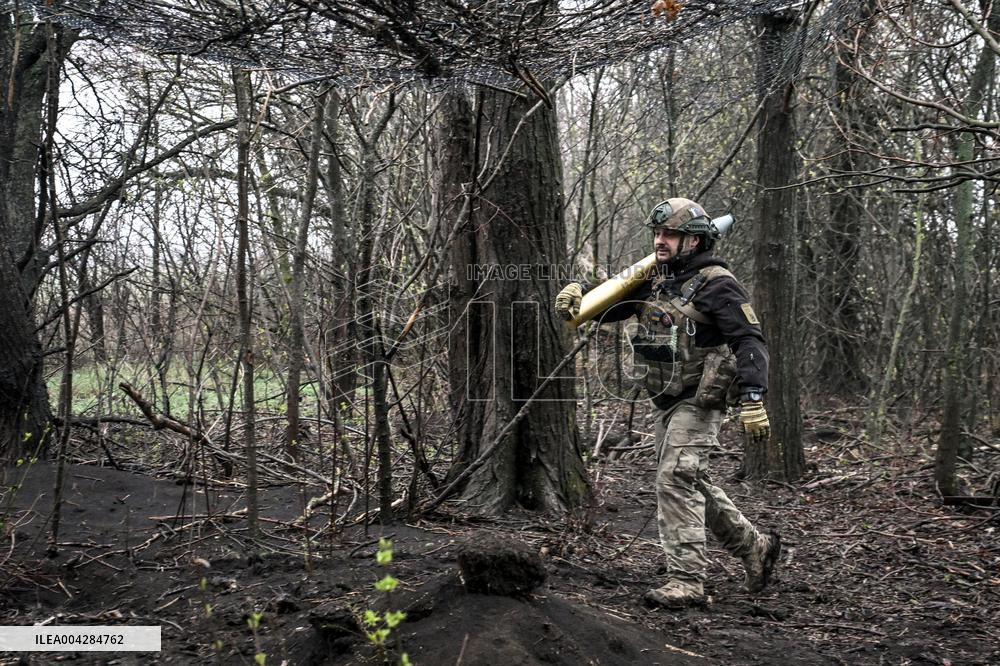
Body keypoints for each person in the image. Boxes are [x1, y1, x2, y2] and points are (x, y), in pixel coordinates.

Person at [554, 197, 780, 608]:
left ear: (694, 240)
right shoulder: (655, 277)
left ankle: (687, 580)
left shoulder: (718, 284)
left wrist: (752, 397)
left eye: (670, 234)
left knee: (674, 478)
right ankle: (755, 547)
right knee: (690, 479)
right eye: (657, 233)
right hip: (666, 399)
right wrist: (579, 295)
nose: (660, 240)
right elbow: (613, 309)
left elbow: (749, 340)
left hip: (702, 399)